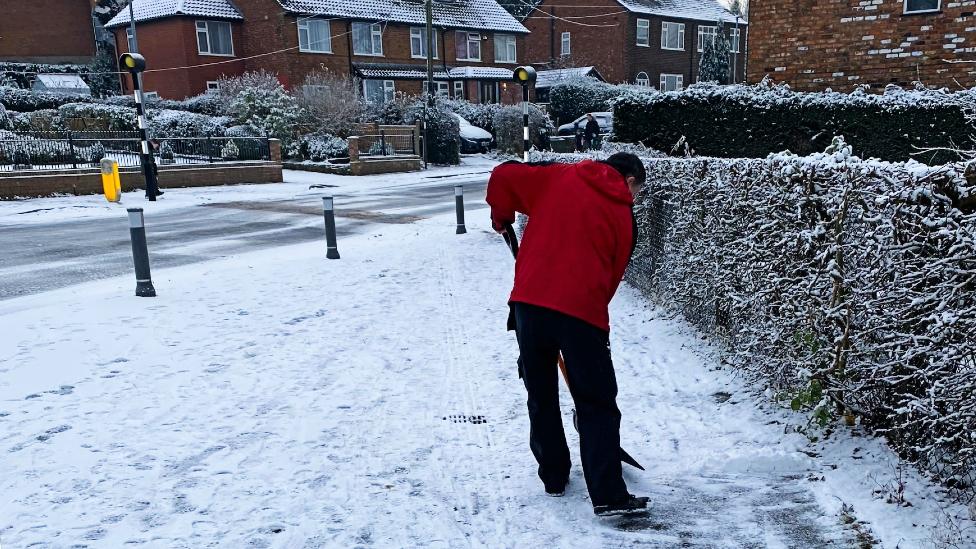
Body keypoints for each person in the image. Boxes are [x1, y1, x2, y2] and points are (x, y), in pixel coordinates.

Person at [486, 153, 649, 517]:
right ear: (628, 180)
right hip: (582, 313)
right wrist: (586, 317)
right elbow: (612, 277)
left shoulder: (557, 175)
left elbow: (503, 175)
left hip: (528, 304)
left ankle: (554, 476)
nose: (634, 197)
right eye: (637, 189)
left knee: (540, 393)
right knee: (597, 404)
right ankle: (607, 495)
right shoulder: (623, 216)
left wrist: (501, 218)